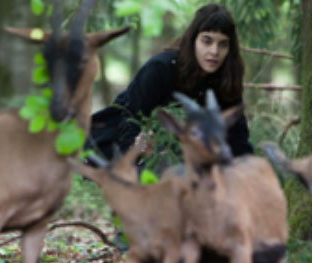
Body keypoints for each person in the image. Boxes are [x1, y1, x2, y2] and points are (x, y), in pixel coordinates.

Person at [86, 3, 253, 161]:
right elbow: (130, 118)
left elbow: (238, 139)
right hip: (113, 146)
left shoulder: (226, 80)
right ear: (193, 40)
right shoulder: (162, 68)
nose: (214, 51)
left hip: (183, 159)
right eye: (207, 41)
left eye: (222, 44)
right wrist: (134, 152)